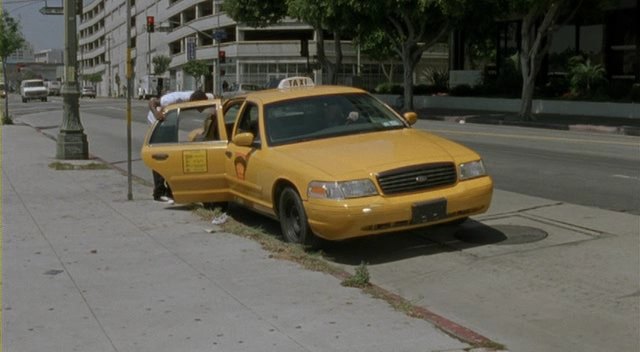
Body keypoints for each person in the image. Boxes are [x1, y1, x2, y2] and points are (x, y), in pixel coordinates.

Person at [147, 90, 210, 203]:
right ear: (193, 101)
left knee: (172, 155)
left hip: (170, 119)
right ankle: (159, 192)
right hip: (157, 120)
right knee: (162, 155)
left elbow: (215, 98)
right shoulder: (171, 99)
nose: (202, 109)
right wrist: (157, 114)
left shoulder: (203, 97)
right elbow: (152, 102)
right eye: (200, 107)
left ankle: (170, 190)